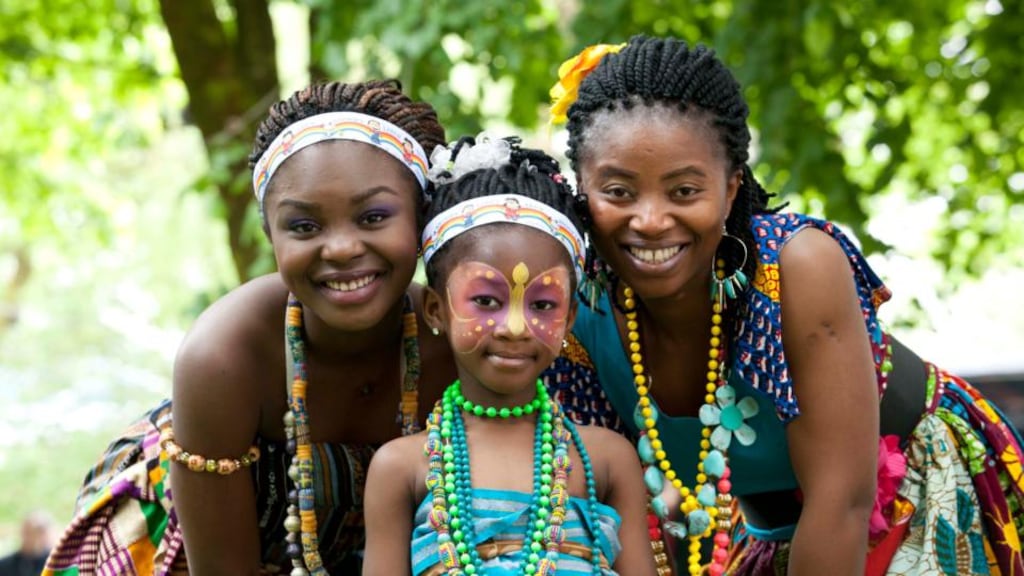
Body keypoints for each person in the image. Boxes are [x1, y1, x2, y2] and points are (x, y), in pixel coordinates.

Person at [544, 35, 1024, 575]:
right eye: (619, 192)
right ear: (579, 188)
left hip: (917, 488)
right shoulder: (566, 302)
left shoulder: (794, 268)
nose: (651, 220)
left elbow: (841, 502)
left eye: (683, 192)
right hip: (773, 532)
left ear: (730, 190)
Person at [43, 79, 457, 575]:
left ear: (422, 218)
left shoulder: (458, 337)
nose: (342, 248)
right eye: (304, 226)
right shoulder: (223, 356)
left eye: (373, 216)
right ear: (269, 234)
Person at [362, 135, 657, 575]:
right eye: (485, 301)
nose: (515, 327)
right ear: (435, 309)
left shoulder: (605, 459)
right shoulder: (402, 468)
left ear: (570, 317)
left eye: (542, 305)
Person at [0, 511, 55, 576]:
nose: (34, 538)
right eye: (29, 532)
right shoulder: (5, 565)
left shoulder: (57, 564)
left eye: (38, 532)